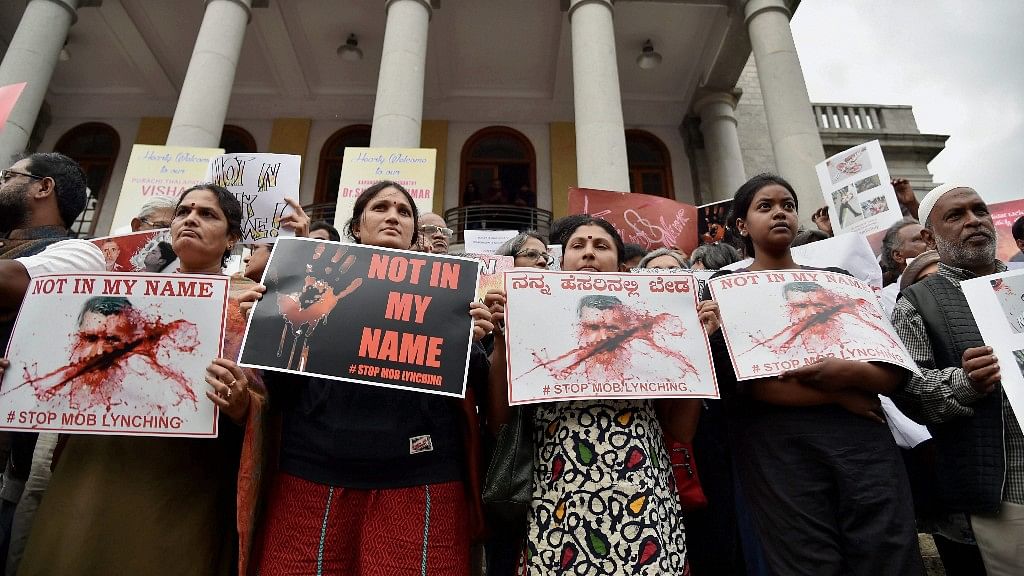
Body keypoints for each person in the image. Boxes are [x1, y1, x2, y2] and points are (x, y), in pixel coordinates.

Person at [16, 183, 264, 576]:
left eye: (208, 214)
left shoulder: (252, 302)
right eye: (184, 212)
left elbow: (266, 399)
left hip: (183, 480)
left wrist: (241, 405)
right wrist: (16, 369)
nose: (191, 220)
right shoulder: (116, 287)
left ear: (232, 236)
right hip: (95, 462)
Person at [253, 181, 493, 576]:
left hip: (420, 475)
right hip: (314, 471)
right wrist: (269, 323)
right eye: (381, 207)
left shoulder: (450, 294)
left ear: (414, 234)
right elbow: (280, 389)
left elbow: (474, 392)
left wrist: (475, 342)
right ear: (356, 227)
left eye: (403, 212)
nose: (393, 216)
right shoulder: (312, 283)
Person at [702, 173, 923, 576]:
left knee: (886, 550)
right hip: (779, 447)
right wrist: (839, 394)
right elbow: (744, 383)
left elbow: (891, 373)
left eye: (787, 204)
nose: (779, 213)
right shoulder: (724, 287)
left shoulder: (839, 282)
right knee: (806, 559)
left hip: (862, 442)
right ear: (741, 225)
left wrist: (848, 371)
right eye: (764, 207)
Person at [487, 216, 689, 575]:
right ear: (560, 263)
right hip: (560, 497)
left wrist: (694, 347)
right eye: (577, 246)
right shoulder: (536, 329)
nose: (589, 254)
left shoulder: (652, 346)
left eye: (601, 246)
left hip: (644, 499)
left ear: (623, 268)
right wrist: (504, 335)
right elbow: (500, 420)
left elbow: (683, 432)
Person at [890, 183, 1024, 575]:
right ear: (929, 237)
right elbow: (909, 393)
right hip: (1004, 493)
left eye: (979, 211)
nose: (974, 221)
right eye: (956, 215)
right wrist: (964, 381)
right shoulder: (917, 303)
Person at [0, 152, 104, 573]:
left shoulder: (76, 254)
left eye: (9, 176)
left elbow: (8, 284)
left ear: (44, 187)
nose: (0, 182)